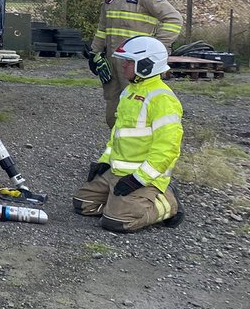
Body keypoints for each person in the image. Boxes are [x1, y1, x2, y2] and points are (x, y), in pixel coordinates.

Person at [73, 36, 184, 232]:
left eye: (129, 62)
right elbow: (118, 136)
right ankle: (121, 203)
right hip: (118, 173)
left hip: (144, 177)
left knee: (117, 222)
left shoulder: (163, 99)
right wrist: (104, 162)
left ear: (147, 65)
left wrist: (138, 179)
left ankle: (168, 202)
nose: (123, 66)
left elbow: (167, 150)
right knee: (82, 203)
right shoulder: (128, 93)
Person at [88, 0, 183, 127]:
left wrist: (156, 50)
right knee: (113, 115)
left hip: (137, 66)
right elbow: (103, 26)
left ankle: (136, 153)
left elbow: (173, 19)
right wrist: (94, 53)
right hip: (114, 63)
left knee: (135, 114)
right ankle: (116, 152)